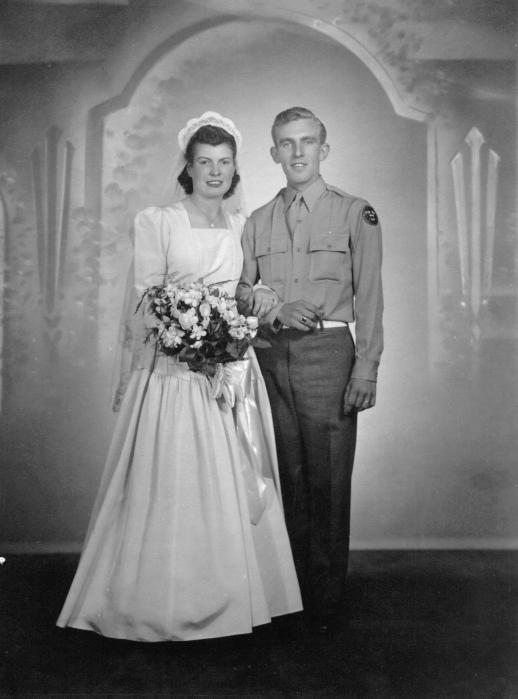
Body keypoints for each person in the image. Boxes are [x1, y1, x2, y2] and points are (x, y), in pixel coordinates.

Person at [57, 112, 302, 642]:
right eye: (204, 162)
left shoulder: (244, 225)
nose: (214, 172)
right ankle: (161, 602)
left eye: (224, 163)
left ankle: (233, 598)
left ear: (235, 169)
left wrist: (254, 304)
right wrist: (192, 336)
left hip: (229, 370)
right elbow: (148, 297)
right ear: (187, 168)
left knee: (231, 476)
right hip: (175, 370)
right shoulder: (158, 220)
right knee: (173, 479)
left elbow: (248, 290)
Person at [236, 106, 383, 633]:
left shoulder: (355, 213)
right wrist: (275, 309)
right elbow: (241, 290)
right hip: (271, 355)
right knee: (286, 476)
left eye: (307, 142)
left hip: (328, 353)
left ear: (324, 149)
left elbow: (371, 296)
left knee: (327, 479)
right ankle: (290, 593)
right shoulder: (258, 220)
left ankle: (324, 602)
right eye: (286, 143)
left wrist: (366, 369)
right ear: (273, 153)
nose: (297, 152)